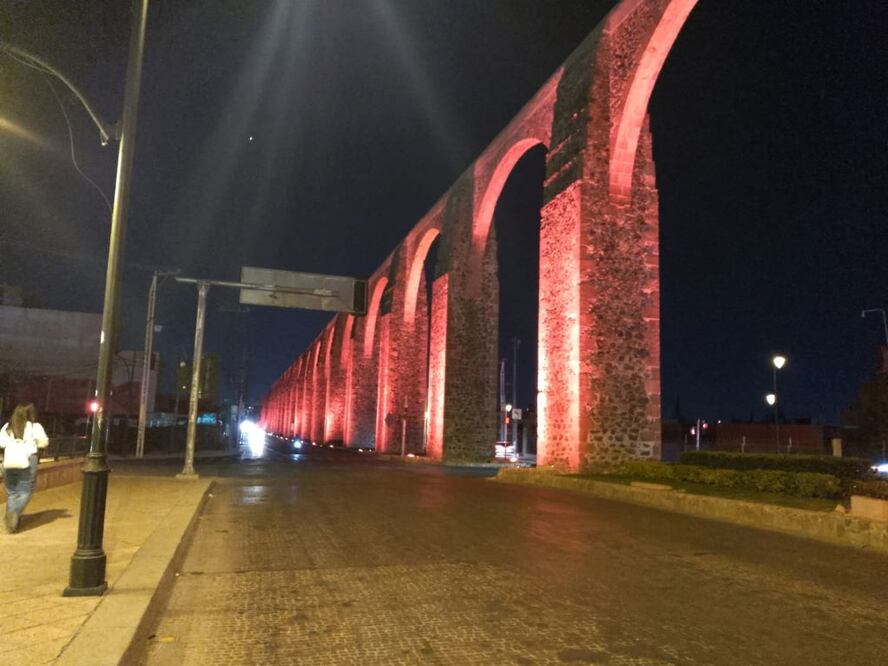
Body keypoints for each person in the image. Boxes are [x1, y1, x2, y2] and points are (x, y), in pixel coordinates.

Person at [1, 403, 49, 533]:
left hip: (9, 461)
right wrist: (34, 443)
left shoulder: (7, 427)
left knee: (13, 492)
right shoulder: (34, 426)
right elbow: (44, 442)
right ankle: (14, 514)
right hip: (27, 460)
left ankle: (12, 521)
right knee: (26, 490)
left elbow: (1, 443)